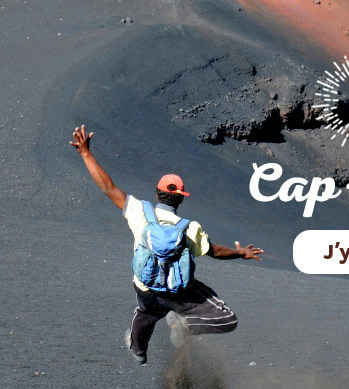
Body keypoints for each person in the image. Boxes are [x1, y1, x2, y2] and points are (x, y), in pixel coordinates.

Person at [69, 124, 264, 365]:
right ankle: (184, 323)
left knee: (146, 314)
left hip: (146, 290)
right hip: (179, 294)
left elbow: (107, 186)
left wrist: (86, 154)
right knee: (227, 319)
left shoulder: (139, 211)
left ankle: (138, 349)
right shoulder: (190, 227)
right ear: (181, 198)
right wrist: (240, 252)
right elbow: (215, 251)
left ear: (157, 194)